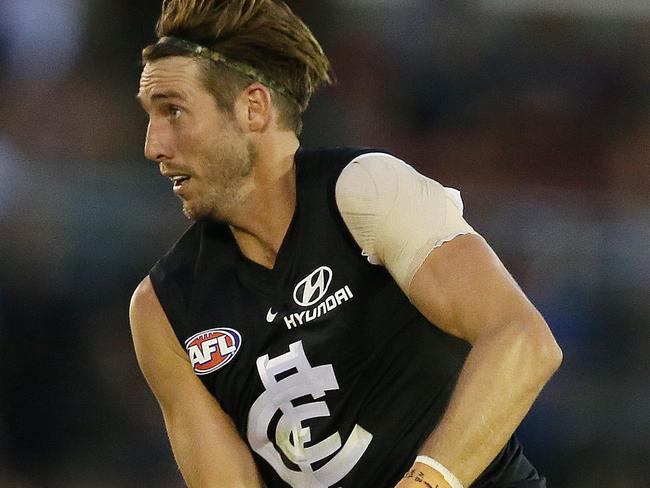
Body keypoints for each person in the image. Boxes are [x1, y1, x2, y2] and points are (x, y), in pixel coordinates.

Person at [129, 1, 563, 487]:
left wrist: (426, 483)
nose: (153, 145)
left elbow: (523, 340)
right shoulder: (163, 309)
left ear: (253, 107)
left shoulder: (364, 191)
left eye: (174, 111)